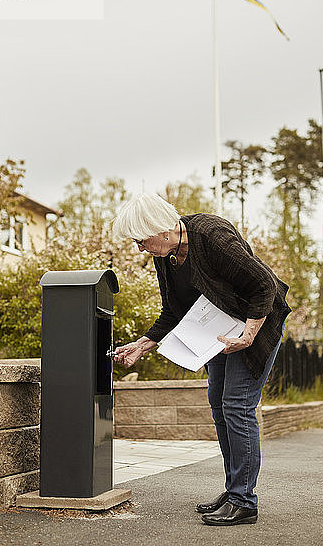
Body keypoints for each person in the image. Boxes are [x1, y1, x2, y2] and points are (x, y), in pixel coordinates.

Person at [112, 193, 291, 527]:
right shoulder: (165, 256)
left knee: (236, 406)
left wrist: (248, 336)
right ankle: (235, 489)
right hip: (221, 331)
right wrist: (142, 344)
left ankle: (244, 501)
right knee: (218, 404)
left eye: (141, 240)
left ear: (160, 229)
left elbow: (264, 286)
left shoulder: (210, 237)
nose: (139, 248)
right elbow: (173, 311)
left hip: (256, 322)